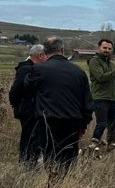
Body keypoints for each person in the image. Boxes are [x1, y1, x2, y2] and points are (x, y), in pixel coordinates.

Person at [27, 36, 93, 174]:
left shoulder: (38, 70)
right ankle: (65, 186)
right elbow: (87, 103)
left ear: (45, 51)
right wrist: (83, 124)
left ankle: (53, 186)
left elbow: (28, 92)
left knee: (50, 157)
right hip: (72, 122)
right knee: (69, 158)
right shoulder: (79, 72)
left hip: (48, 122)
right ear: (62, 50)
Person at [8, 43, 47, 166]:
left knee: (32, 136)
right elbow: (16, 90)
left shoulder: (29, 68)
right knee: (30, 137)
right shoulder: (26, 69)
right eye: (45, 56)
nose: (47, 59)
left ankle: (29, 162)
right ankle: (28, 163)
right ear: (40, 55)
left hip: (29, 108)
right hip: (27, 109)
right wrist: (16, 104)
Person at [87, 38, 115, 152]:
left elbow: (114, 83)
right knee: (102, 122)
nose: (107, 50)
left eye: (109, 48)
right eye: (104, 48)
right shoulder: (94, 61)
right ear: (98, 48)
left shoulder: (110, 63)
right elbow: (100, 77)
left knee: (113, 124)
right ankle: (93, 144)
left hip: (112, 98)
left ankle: (110, 145)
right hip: (100, 97)